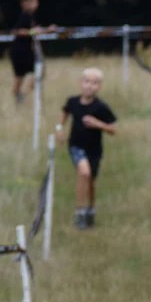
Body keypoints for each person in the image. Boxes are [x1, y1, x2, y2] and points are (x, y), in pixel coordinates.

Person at [56, 68, 117, 229]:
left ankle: (90, 210)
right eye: (87, 81)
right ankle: (80, 212)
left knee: (91, 181)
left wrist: (97, 124)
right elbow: (64, 113)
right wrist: (59, 128)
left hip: (94, 150)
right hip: (76, 146)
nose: (90, 86)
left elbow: (113, 129)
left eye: (95, 83)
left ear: (99, 87)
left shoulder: (101, 107)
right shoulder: (73, 102)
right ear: (81, 83)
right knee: (84, 172)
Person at [10, 0, 53, 104]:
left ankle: (20, 97)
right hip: (20, 51)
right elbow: (17, 31)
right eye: (34, 1)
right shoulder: (24, 16)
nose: (37, 4)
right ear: (26, 3)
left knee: (26, 75)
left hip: (23, 50)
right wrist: (37, 32)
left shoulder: (30, 16)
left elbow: (35, 30)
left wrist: (47, 30)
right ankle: (20, 97)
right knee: (33, 72)